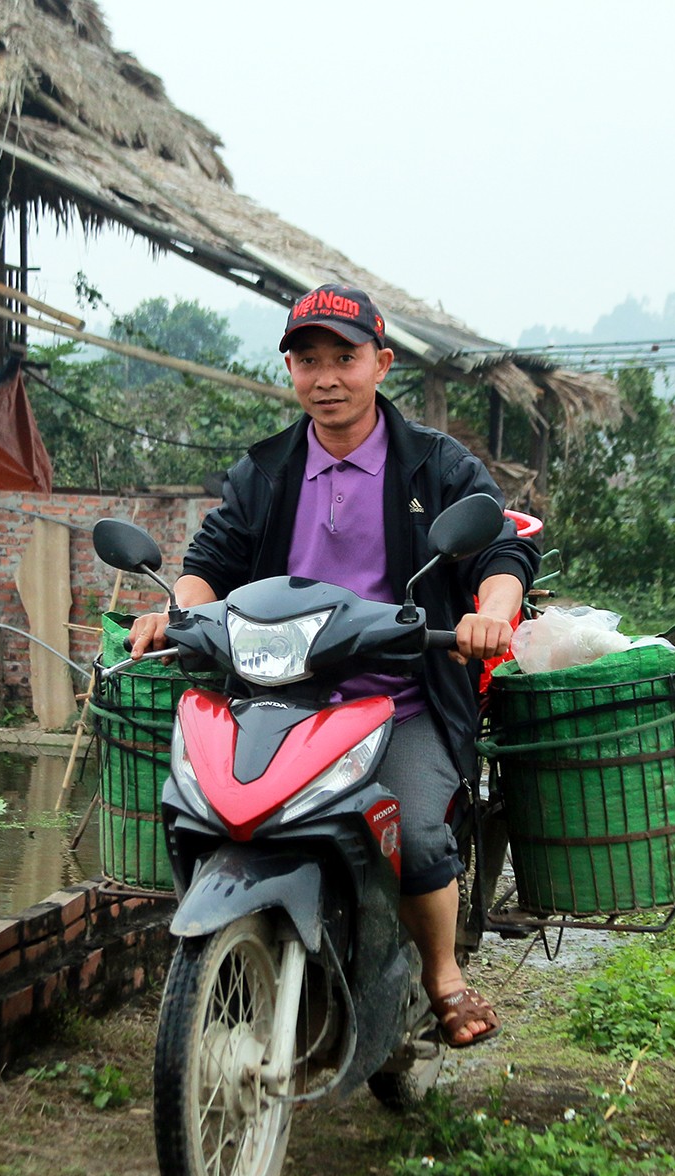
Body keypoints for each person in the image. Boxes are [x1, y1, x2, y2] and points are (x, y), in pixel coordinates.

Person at [128, 283, 533, 1047]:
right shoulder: (266, 471)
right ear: (290, 373)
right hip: (277, 701)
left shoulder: (433, 466)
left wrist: (492, 613)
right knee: (211, 813)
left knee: (414, 834)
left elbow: (503, 546)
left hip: (398, 700)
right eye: (306, 360)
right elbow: (209, 560)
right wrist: (177, 612)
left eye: (343, 358)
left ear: (380, 364)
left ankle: (443, 976)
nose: (325, 378)